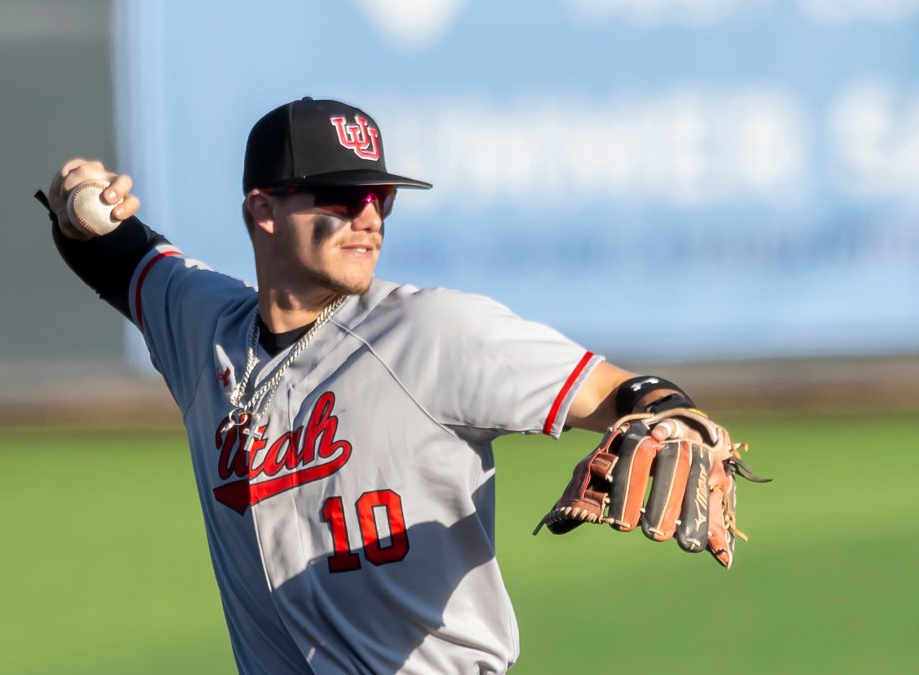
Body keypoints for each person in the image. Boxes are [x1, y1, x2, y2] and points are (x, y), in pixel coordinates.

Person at [37, 97, 743, 674]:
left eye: (381, 197)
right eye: (342, 196)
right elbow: (112, 252)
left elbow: (621, 390)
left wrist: (673, 417)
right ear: (264, 210)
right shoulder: (206, 329)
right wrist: (74, 202)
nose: (369, 215)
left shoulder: (433, 331)